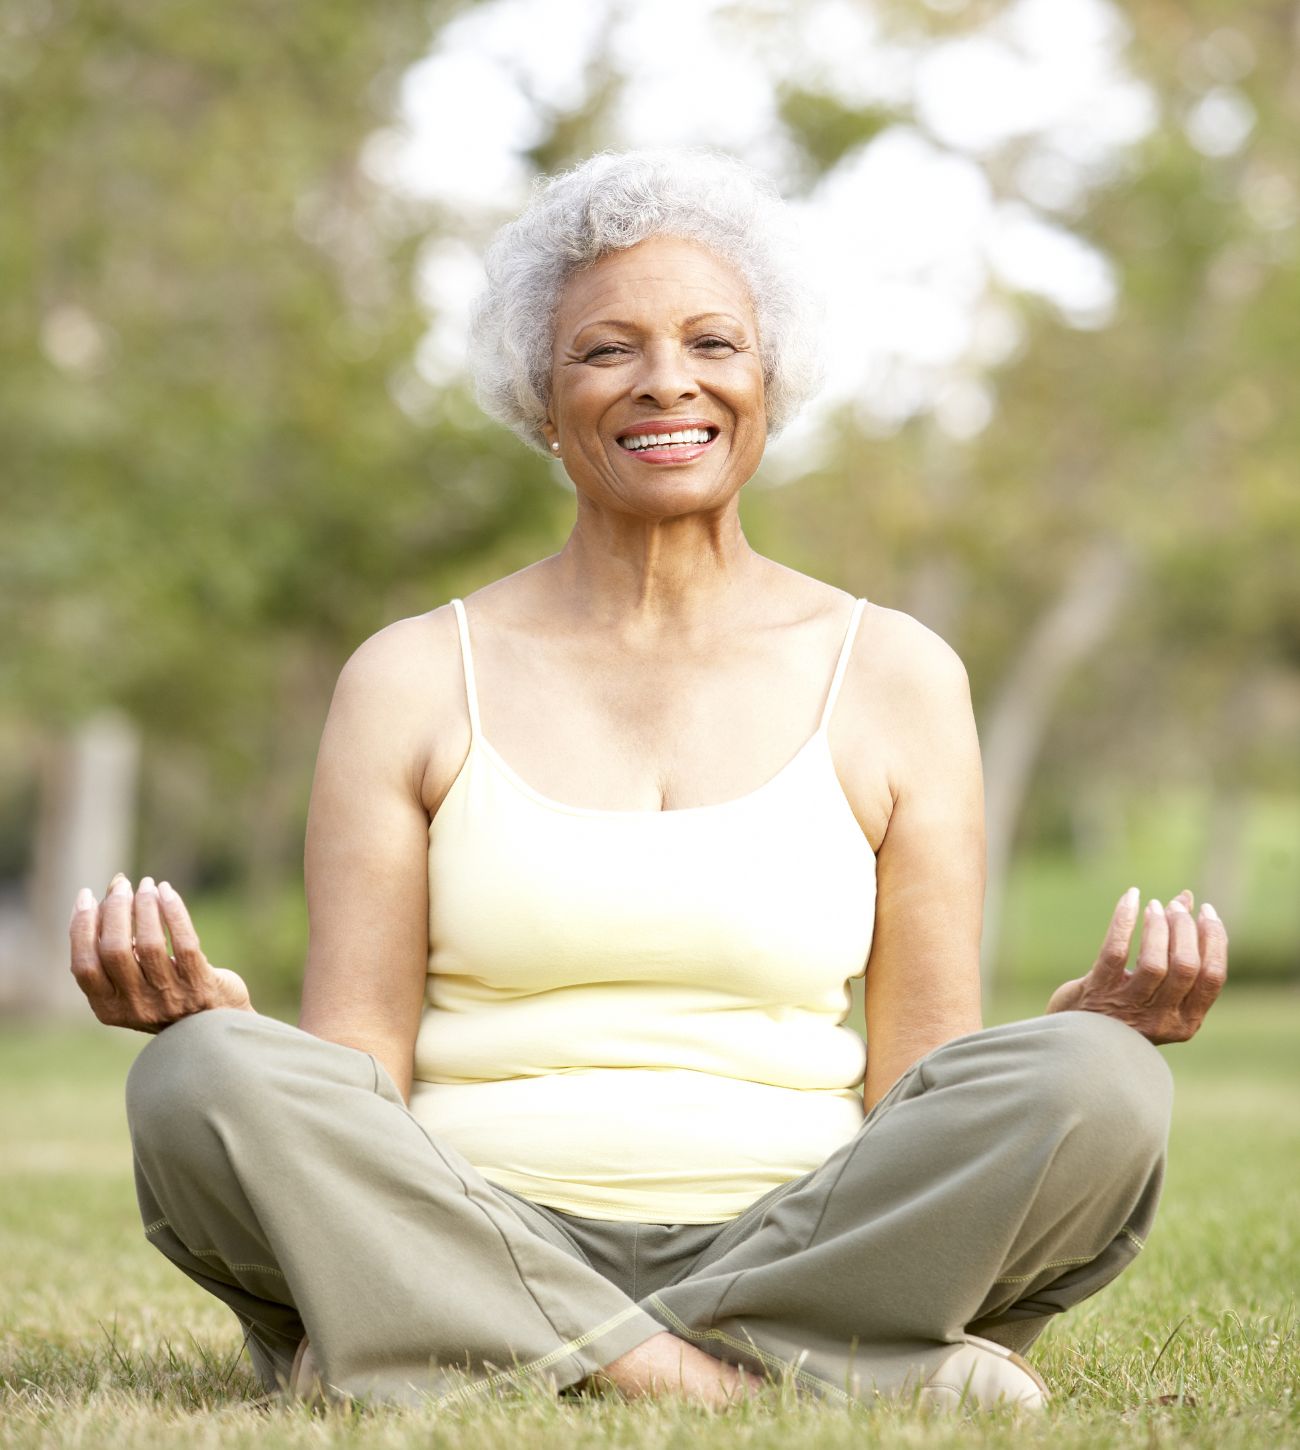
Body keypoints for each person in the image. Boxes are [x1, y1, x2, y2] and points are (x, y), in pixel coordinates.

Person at [69, 149, 1227, 1413]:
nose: (666, 380)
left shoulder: (895, 672)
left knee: (1099, 1082)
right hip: (470, 1211)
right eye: (605, 349)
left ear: (768, 376)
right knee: (199, 1076)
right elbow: (364, 1066)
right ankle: (752, 1376)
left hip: (797, 1231)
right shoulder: (409, 675)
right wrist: (247, 1036)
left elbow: (915, 1078)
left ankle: (444, 1347)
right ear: (539, 397)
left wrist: (1053, 1045)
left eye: (712, 341)